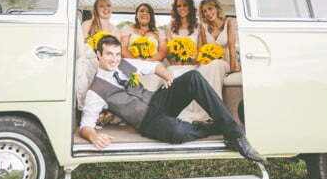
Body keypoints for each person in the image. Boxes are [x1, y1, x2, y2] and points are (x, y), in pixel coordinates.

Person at [78, 35, 265, 162]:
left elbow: (155, 66)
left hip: (158, 100)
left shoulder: (126, 63)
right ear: (98, 54)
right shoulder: (96, 91)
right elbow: (85, 125)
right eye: (109, 54)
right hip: (147, 121)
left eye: (117, 54)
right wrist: (93, 136)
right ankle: (213, 127)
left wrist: (168, 76)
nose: (115, 59)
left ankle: (235, 135)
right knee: (177, 132)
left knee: (193, 77)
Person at [164, 0, 222, 122]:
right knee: (173, 73)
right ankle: (178, 114)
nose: (181, 8)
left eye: (185, 5)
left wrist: (190, 60)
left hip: (194, 63)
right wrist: (179, 59)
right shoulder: (170, 27)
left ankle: (202, 114)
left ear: (190, 7)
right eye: (178, 6)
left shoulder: (198, 26)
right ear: (175, 9)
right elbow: (169, 52)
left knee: (197, 74)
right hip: (176, 64)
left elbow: (201, 50)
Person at [121, 3, 168, 90]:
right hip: (132, 63)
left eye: (148, 12)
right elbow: (123, 48)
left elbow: (163, 51)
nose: (144, 13)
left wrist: (148, 62)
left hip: (153, 63)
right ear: (136, 15)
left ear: (151, 16)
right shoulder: (128, 29)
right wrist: (136, 62)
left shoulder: (159, 32)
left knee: (155, 76)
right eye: (141, 11)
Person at [199, 0, 240, 73]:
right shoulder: (203, 26)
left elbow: (232, 47)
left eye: (210, 9)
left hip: (228, 62)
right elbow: (204, 49)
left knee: (217, 65)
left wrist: (233, 68)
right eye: (204, 11)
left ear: (217, 9)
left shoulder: (229, 22)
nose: (208, 13)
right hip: (211, 63)